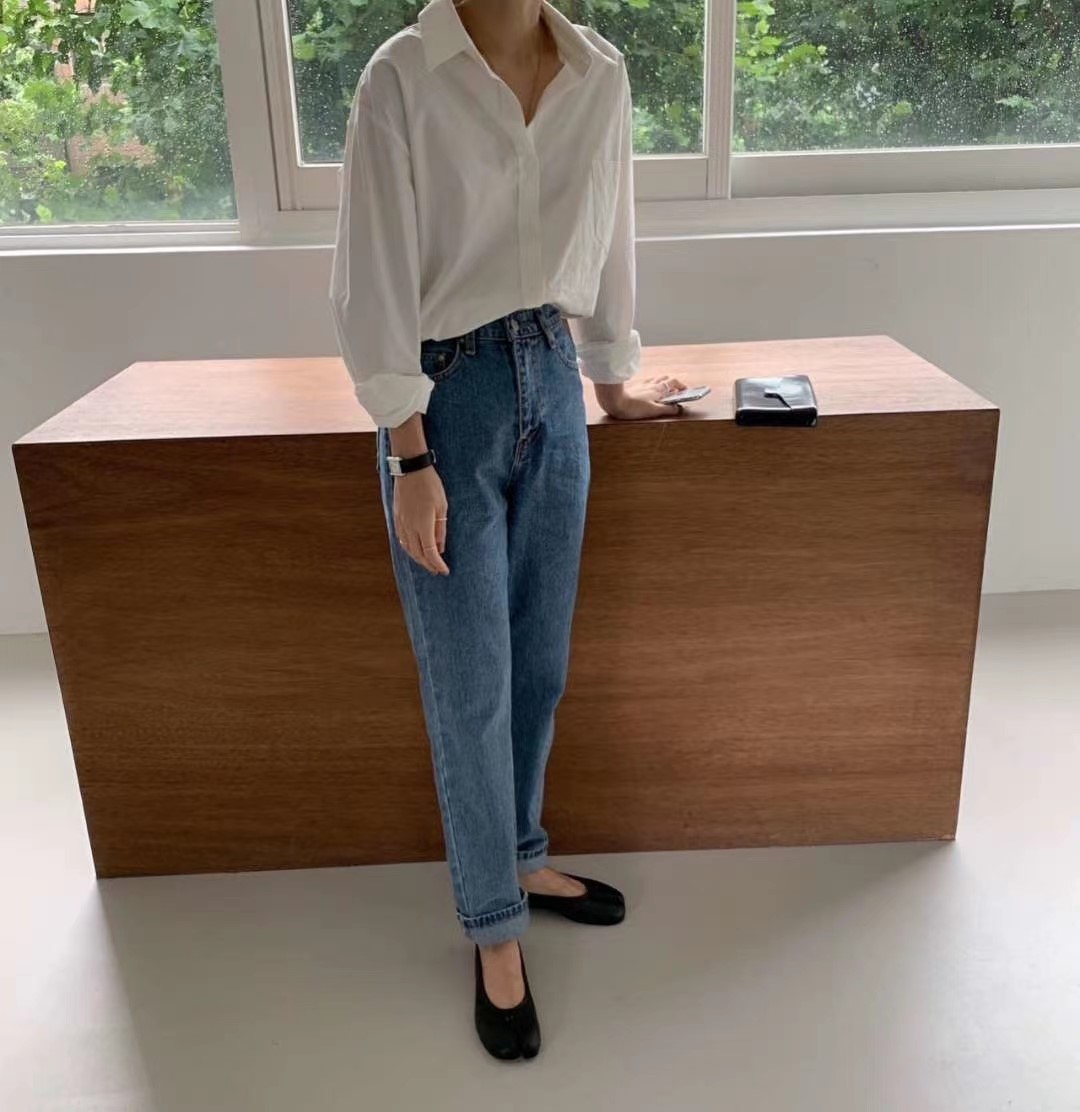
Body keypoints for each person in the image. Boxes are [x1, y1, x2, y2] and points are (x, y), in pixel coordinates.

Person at [329, 0, 687, 1061]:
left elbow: (611, 234)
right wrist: (409, 456)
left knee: (540, 663)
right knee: (473, 681)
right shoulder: (403, 76)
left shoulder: (600, 73)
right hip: (449, 400)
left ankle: (524, 855)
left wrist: (613, 383)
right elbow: (373, 278)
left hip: (555, 379)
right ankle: (494, 924)